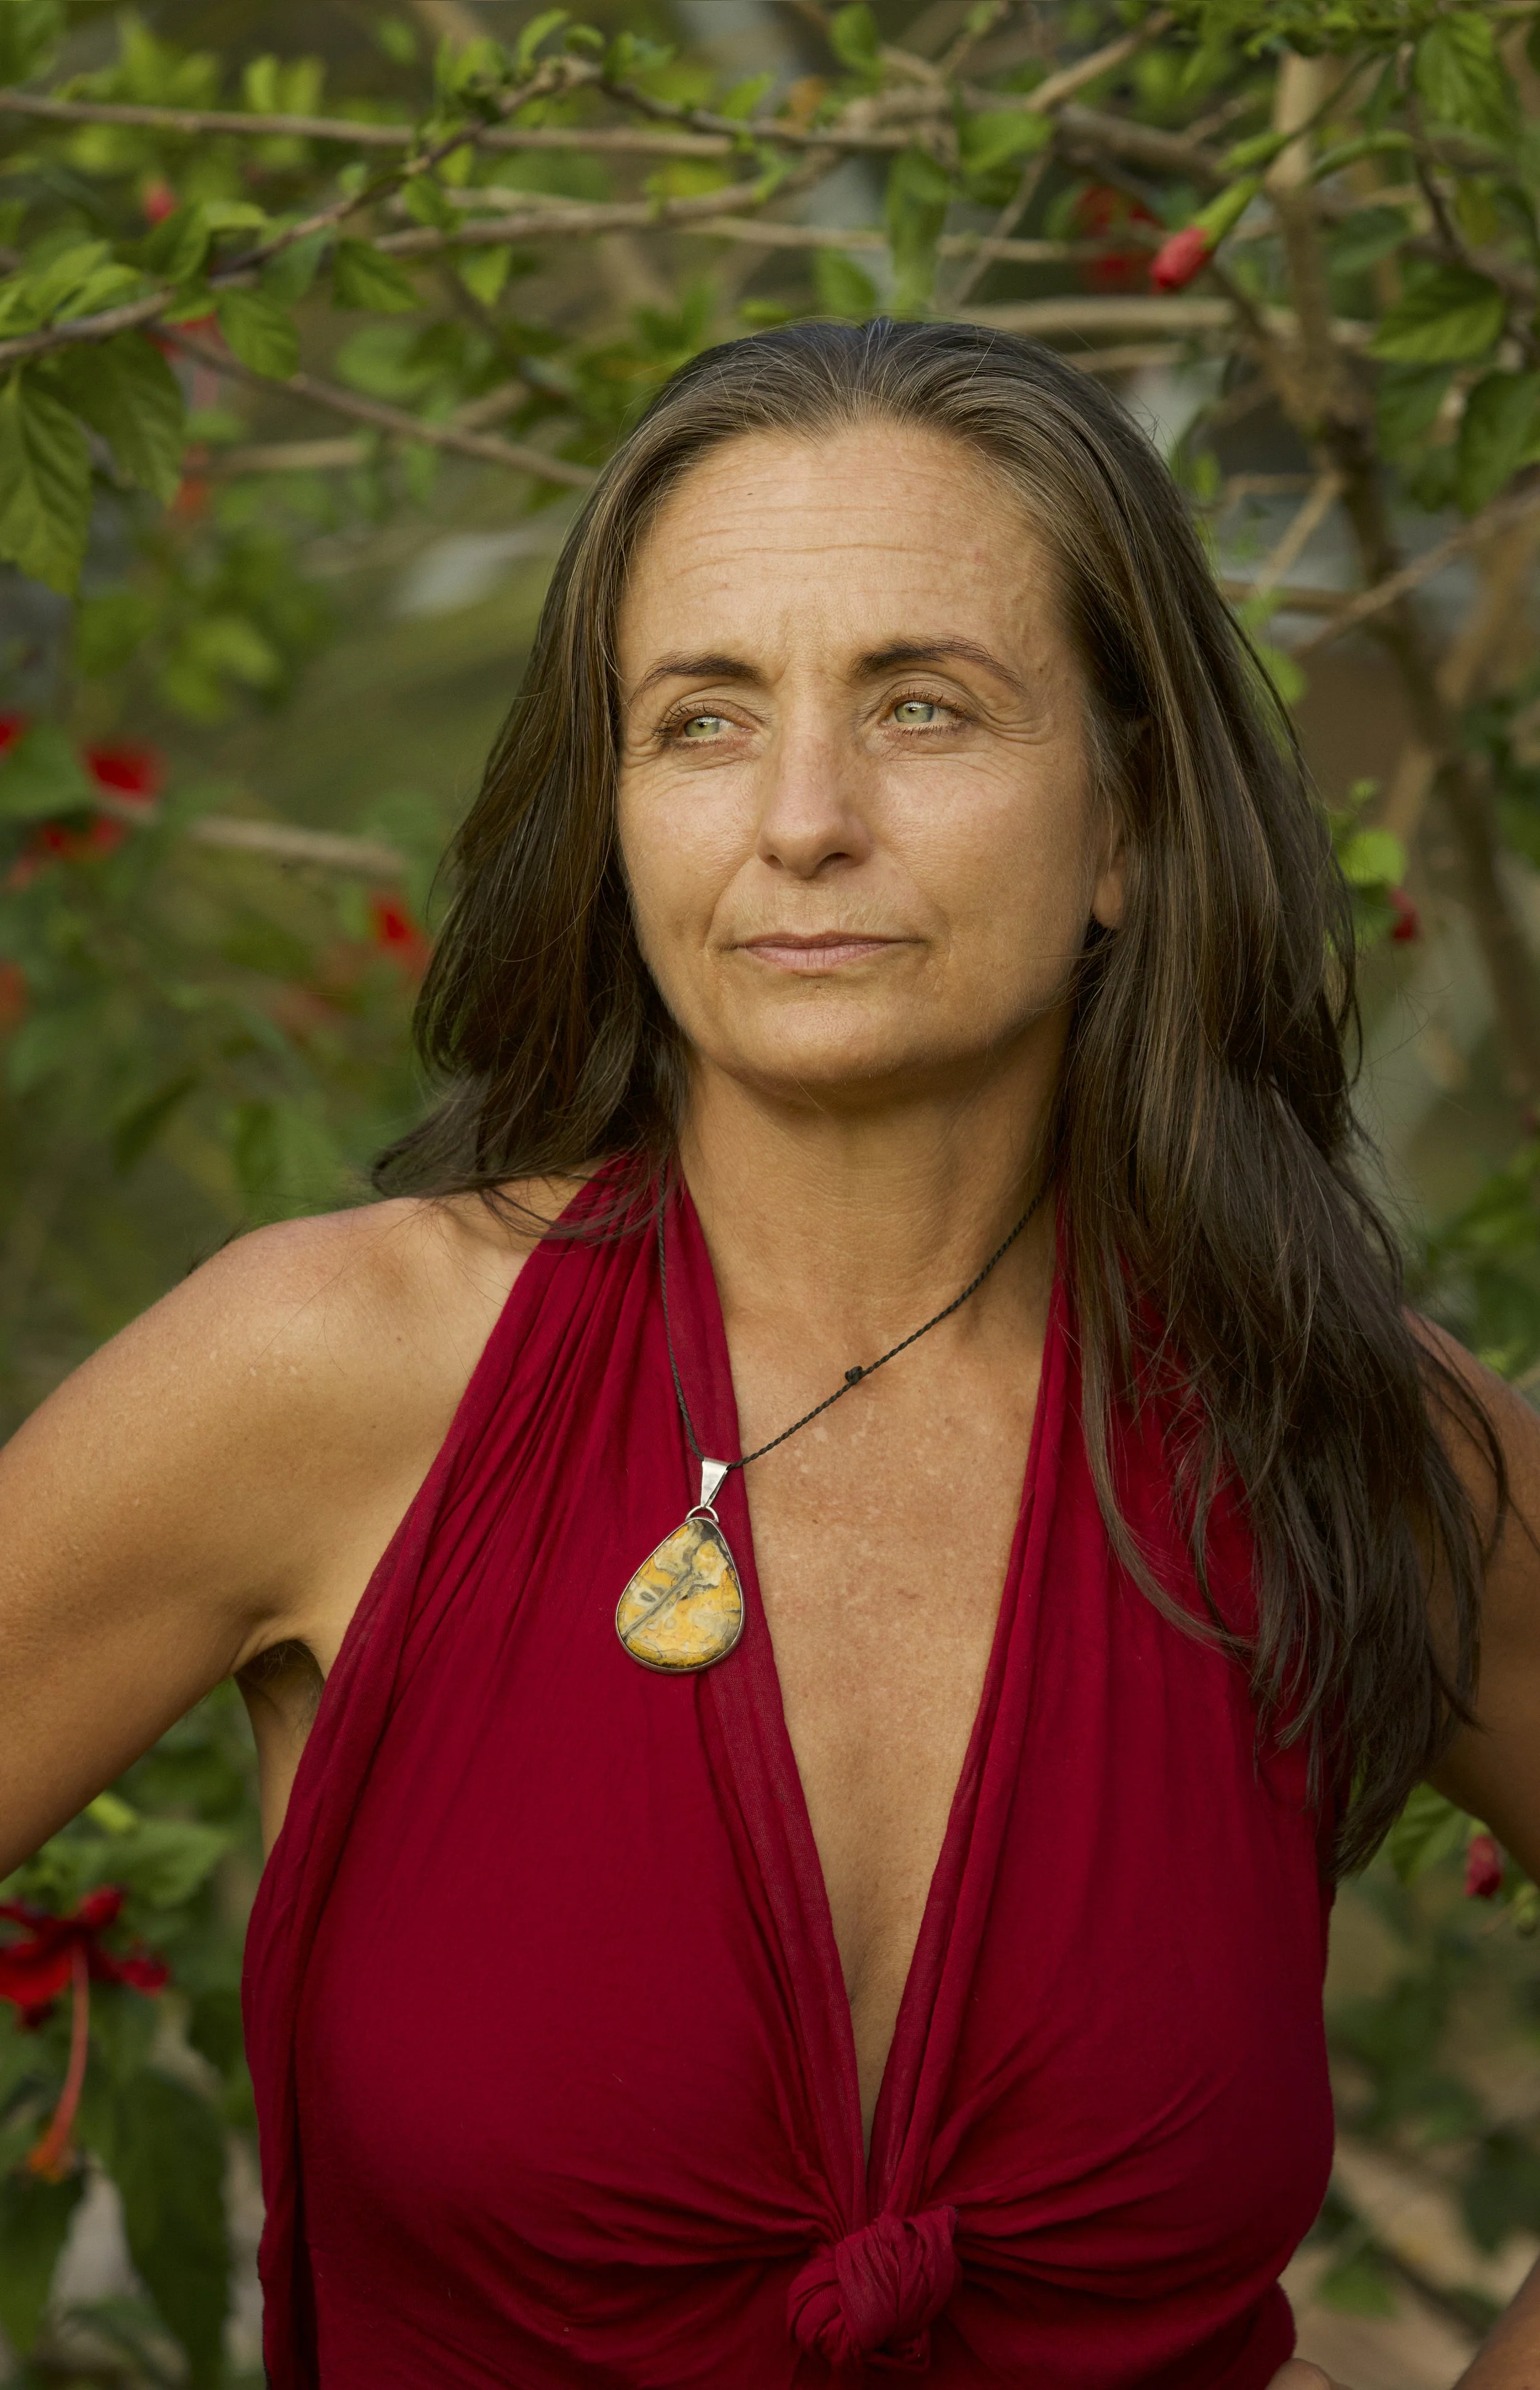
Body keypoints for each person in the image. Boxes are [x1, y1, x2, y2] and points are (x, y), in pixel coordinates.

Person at [2, 318, 1538, 2389]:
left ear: (1126, 824)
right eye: (703, 720)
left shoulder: (1337, 1432)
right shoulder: (325, 1378)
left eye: (922, 706)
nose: (801, 819)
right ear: (617, 810)